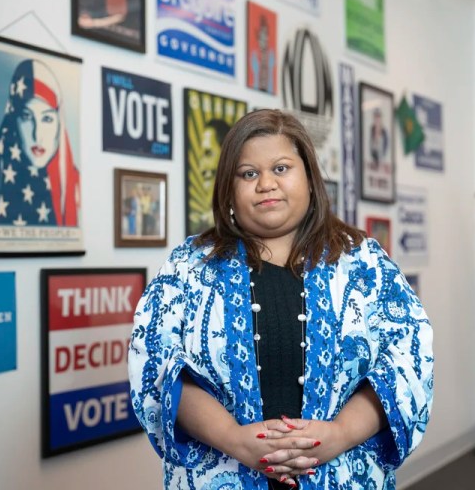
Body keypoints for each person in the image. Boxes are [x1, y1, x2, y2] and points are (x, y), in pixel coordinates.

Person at [128, 109, 433, 489]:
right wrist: (235, 440)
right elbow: (157, 368)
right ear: (229, 189)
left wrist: (338, 434)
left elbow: (406, 360)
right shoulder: (188, 268)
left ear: (309, 178)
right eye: (249, 173)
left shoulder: (364, 263)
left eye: (282, 168)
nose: (266, 184)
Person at [0, 59, 80, 227]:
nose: (37, 134)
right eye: (26, 117)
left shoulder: (73, 184)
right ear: (13, 119)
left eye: (47, 119)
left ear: (59, 123)